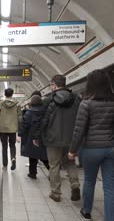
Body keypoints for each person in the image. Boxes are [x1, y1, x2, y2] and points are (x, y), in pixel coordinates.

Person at [67, 69, 114, 221]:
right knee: (110, 187)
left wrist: (72, 150)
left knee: (90, 181)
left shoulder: (86, 104)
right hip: (112, 149)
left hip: (91, 149)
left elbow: (79, 130)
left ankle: (87, 212)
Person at [34, 74, 81, 202]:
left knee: (54, 165)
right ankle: (75, 185)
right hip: (71, 138)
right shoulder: (76, 99)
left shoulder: (49, 99)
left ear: (53, 85)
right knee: (70, 163)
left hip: (53, 139)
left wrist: (37, 136)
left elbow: (43, 120)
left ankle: (56, 193)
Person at [19, 95, 49, 179]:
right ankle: (52, 172)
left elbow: (25, 125)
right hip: (43, 136)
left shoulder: (29, 113)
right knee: (44, 156)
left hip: (31, 137)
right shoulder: (46, 111)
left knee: (32, 156)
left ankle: (32, 174)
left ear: (31, 103)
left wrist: (20, 134)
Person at [0, 88, 22, 170]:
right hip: (13, 129)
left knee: (4, 146)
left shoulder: (0, 104)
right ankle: (13, 158)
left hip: (2, 129)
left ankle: (5, 164)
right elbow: (20, 117)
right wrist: (19, 129)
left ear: (5, 94)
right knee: (12, 145)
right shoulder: (17, 104)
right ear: (12, 94)